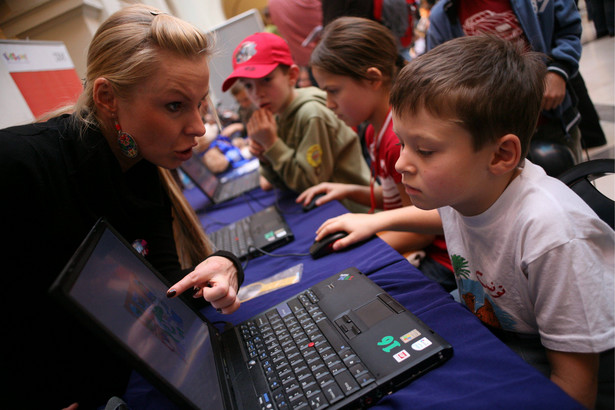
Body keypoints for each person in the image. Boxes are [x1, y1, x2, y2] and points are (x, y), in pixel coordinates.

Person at [315, 35, 614, 408]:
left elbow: (576, 386)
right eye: (403, 144)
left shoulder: (552, 236)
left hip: (560, 354)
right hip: (502, 323)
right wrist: (374, 222)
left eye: (424, 150)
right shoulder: (469, 188)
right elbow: (446, 218)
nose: (401, 163)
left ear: (501, 154)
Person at [0, 5, 243, 409]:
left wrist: (226, 264)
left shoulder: (143, 165)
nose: (199, 127)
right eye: (174, 106)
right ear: (108, 97)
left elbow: (164, 292)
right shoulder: (18, 165)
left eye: (200, 104)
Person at [295, 16, 453, 286]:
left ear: (372, 79)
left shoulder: (397, 139)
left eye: (334, 91)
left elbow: (421, 231)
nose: (329, 104)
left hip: (441, 258)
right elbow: (401, 199)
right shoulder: (372, 130)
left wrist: (359, 244)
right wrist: (348, 190)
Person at [425, 0, 584, 176]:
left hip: (549, 120)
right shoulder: (443, 16)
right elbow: (440, 81)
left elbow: (568, 29)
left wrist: (558, 71)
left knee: (570, 184)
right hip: (493, 141)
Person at [221, 31, 371, 212]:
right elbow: (282, 184)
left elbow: (310, 186)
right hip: (328, 210)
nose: (256, 94)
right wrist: (265, 157)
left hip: (356, 213)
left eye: (266, 80)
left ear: (292, 76)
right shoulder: (276, 114)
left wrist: (271, 144)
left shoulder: (311, 114)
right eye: (248, 85)